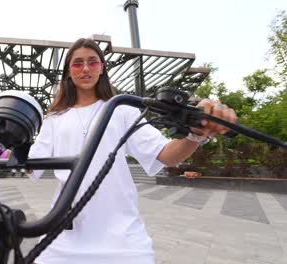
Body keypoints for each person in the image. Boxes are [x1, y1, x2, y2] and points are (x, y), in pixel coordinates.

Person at [27, 38, 237, 264]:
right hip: (62, 237)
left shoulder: (123, 108)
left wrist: (196, 134)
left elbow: (165, 154)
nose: (86, 68)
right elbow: (30, 165)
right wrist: (1, 145)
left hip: (122, 240)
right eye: (77, 63)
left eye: (93, 62)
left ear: (102, 68)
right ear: (68, 71)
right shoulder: (54, 118)